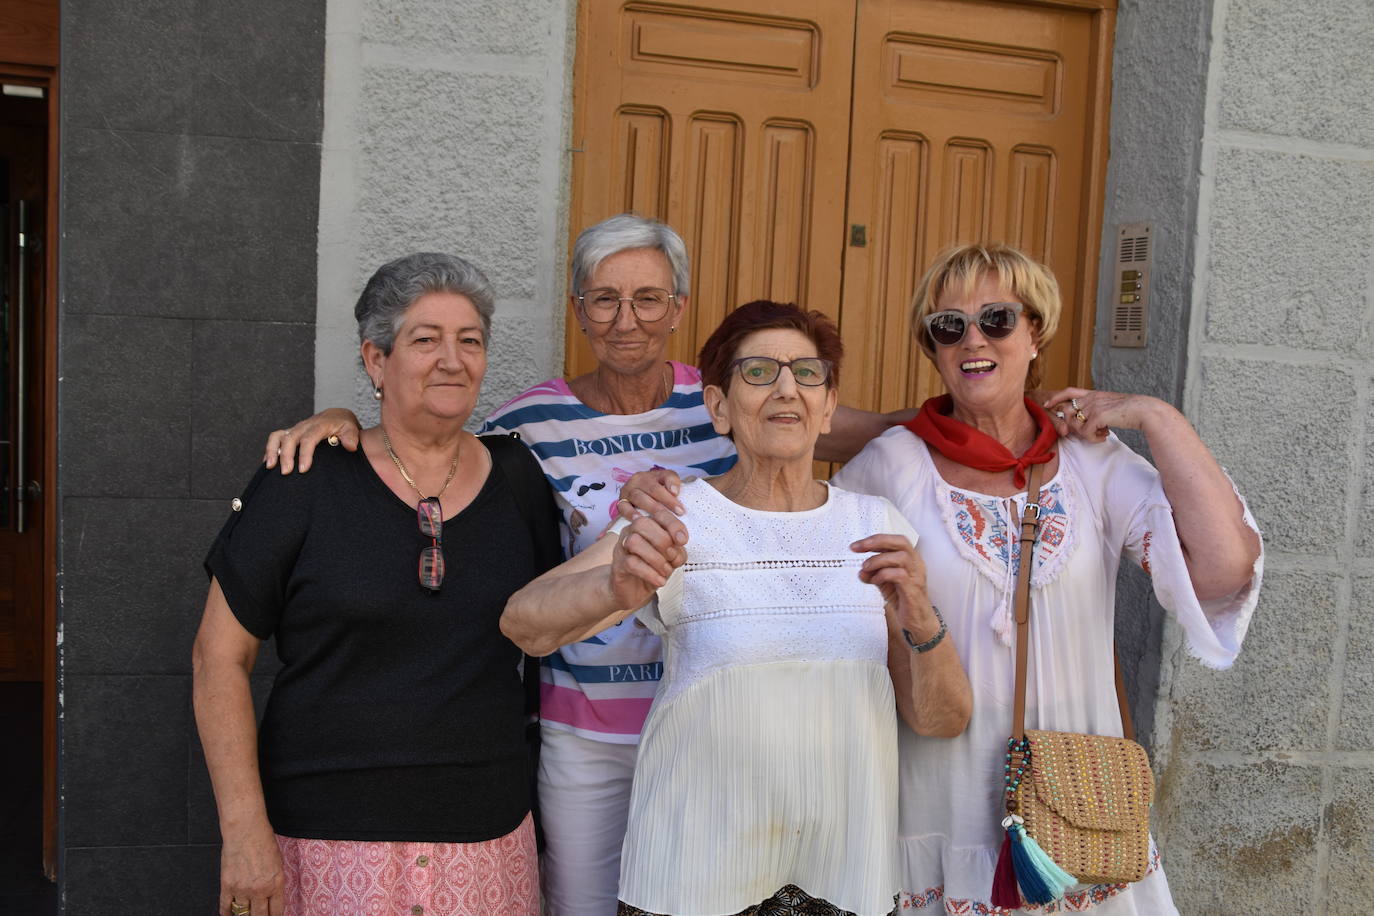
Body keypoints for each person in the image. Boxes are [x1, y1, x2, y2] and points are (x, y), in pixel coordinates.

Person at [261, 214, 916, 915]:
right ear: (578, 310)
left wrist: (1022, 416)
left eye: (648, 298)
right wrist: (341, 420)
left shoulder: (734, 394)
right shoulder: (530, 422)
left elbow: (873, 427)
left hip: (711, 720)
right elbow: (429, 442)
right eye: (604, 298)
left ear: (678, 310)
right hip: (587, 723)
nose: (626, 319)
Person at [827, 243, 1264, 913]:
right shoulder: (891, 465)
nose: (973, 339)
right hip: (939, 792)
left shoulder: (1092, 464)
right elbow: (840, 620)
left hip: (1078, 799)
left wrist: (1155, 416)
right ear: (934, 349)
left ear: (1035, 333)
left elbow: (1222, 567)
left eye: (997, 319)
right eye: (949, 326)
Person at [501, 300, 972, 916]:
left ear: (828, 406)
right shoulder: (678, 517)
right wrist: (615, 588)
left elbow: (941, 720)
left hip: (841, 875)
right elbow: (523, 622)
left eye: (808, 373)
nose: (785, 389)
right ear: (719, 407)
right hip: (693, 877)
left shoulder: (876, 526)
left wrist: (920, 620)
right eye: (758, 372)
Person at [192, 252, 559, 916]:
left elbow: (559, 616)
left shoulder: (519, 480)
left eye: (469, 341)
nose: (453, 359)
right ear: (375, 361)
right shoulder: (304, 479)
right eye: (425, 340)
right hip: (325, 838)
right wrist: (244, 832)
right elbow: (219, 656)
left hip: (486, 838)